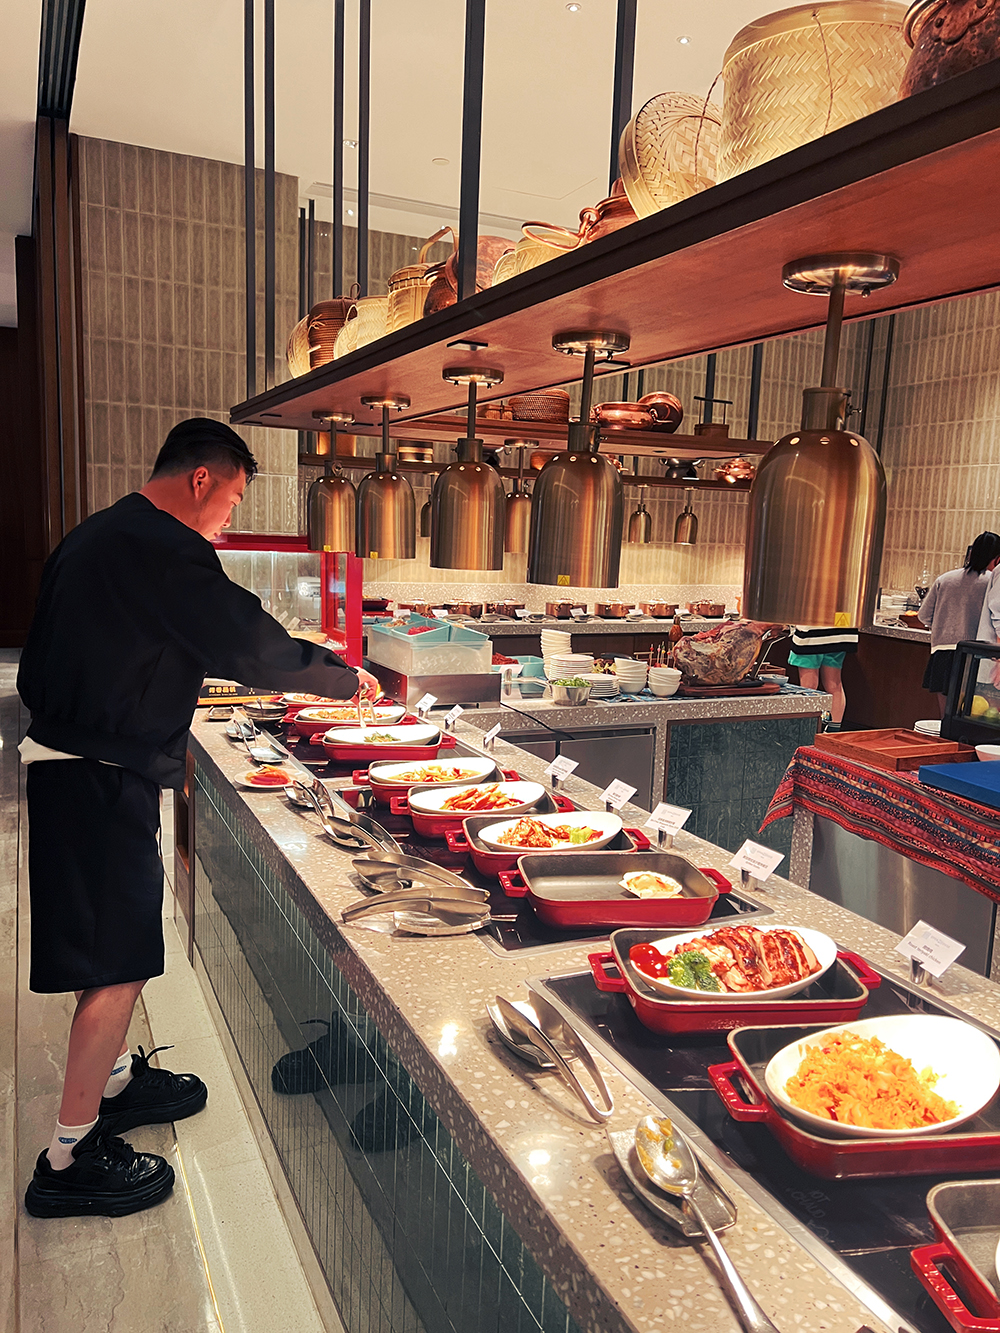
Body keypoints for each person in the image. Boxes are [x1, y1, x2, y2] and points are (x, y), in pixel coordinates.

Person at [17, 417, 379, 1219]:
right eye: (233, 499)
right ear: (202, 479)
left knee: (101, 947)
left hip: (73, 763)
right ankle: (67, 1157)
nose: (229, 517)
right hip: (98, 775)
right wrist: (340, 676)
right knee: (118, 962)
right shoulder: (166, 546)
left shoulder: (97, 534)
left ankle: (114, 1082)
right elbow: (245, 642)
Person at [920, 532, 1000, 714]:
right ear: (997, 558)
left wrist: (944, 624)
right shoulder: (991, 582)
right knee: (971, 716)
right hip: (972, 656)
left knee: (945, 717)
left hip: (941, 654)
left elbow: (923, 616)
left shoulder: (945, 579)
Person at [787, 625, 859, 731]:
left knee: (808, 688)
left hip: (811, 632)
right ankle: (832, 732)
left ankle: (807, 731)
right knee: (834, 685)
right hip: (840, 632)